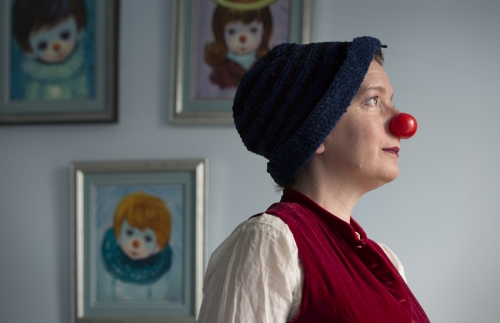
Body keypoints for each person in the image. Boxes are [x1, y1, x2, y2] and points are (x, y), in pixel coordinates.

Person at [198, 36, 430, 322]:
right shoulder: (270, 241)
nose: (402, 123)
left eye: (390, 101)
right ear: (317, 132)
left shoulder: (385, 261)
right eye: (373, 100)